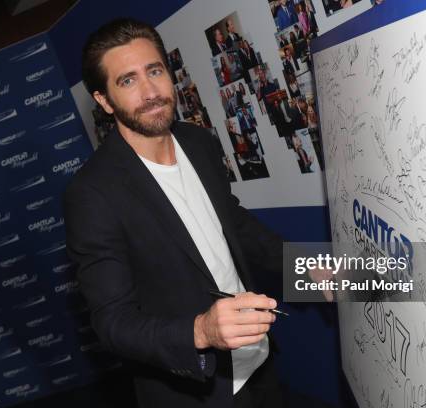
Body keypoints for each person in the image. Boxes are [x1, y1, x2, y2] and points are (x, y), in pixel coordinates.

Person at [68, 18, 284, 408]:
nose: (150, 92)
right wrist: (200, 331)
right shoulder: (92, 194)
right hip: (195, 391)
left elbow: (233, 225)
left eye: (155, 71)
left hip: (258, 362)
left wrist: (308, 267)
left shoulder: (198, 141)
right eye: (128, 81)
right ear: (104, 100)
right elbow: (113, 322)